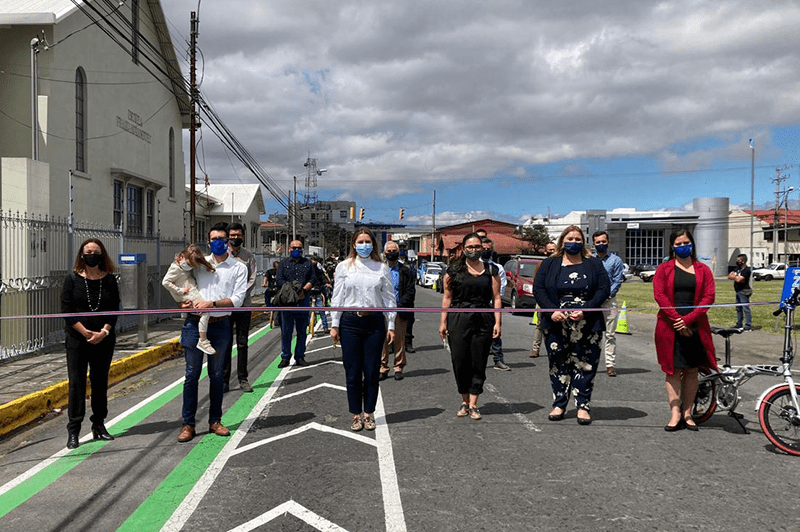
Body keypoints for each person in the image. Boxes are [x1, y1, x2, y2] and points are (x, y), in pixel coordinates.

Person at [177, 223, 248, 443]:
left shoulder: (238, 267)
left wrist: (213, 304)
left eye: (221, 238)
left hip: (220, 325)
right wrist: (184, 302)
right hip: (194, 325)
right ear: (208, 242)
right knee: (191, 375)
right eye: (213, 238)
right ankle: (188, 424)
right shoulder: (198, 264)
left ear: (228, 240)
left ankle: (214, 421)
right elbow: (181, 285)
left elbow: (237, 301)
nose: (217, 241)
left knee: (217, 376)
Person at [533, 225, 610, 425]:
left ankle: (582, 405)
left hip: (587, 322)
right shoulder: (550, 263)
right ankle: (559, 403)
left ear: (582, 243)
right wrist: (552, 310)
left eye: (578, 240)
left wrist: (587, 308)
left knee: (585, 363)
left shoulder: (593, 264)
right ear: (562, 241)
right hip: (556, 321)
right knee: (558, 363)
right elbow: (539, 289)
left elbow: (603, 289)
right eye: (570, 239)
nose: (574, 242)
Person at [330, 228, 396, 431]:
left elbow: (389, 298)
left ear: (373, 245)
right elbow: (337, 297)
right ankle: (355, 414)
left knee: (371, 371)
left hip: (374, 323)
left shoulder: (381, 267)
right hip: (350, 322)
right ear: (353, 245)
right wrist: (334, 324)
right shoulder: (344, 267)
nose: (364, 245)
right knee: (352, 371)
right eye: (361, 241)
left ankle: (368, 413)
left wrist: (391, 324)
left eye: (368, 241)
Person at [653, 229, 717, 431]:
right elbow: (660, 295)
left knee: (691, 371)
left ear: (692, 244)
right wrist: (677, 320)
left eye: (686, 243)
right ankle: (675, 413)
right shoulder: (664, 269)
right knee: (672, 371)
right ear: (672, 247)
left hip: (695, 325)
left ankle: (688, 413)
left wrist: (688, 320)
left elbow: (709, 297)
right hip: (669, 326)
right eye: (678, 244)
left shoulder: (703, 269)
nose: (682, 247)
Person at [60, 238, 121, 449]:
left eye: (95, 252)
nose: (91, 255)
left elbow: (114, 309)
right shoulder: (72, 279)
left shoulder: (110, 280)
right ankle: (73, 430)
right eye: (88, 251)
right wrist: (86, 332)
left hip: (103, 339)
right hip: (78, 339)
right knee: (76, 383)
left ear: (102, 255)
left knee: (100, 382)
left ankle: (98, 425)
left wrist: (103, 332)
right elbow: (66, 310)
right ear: (81, 254)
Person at [439, 233, 502, 421]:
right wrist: (443, 322)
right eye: (470, 247)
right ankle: (464, 400)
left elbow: (497, 298)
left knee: (479, 361)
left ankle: (474, 404)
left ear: (482, 248)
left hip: (483, 319)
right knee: (460, 361)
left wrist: (498, 322)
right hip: (458, 318)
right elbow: (447, 298)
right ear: (463, 248)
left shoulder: (491, 271)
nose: (473, 250)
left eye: (477, 246)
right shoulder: (453, 271)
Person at [162, 245, 217, 355]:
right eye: (189, 264)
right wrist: (180, 291)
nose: (190, 267)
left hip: (191, 291)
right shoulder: (175, 268)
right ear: (181, 256)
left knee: (204, 312)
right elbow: (165, 282)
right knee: (205, 313)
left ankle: (201, 339)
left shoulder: (182, 266)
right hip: (188, 293)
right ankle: (203, 340)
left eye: (192, 266)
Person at [223, 222, 257, 393]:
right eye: (232, 235)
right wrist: (227, 299)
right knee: (226, 343)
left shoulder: (248, 257)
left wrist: (239, 296)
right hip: (225, 306)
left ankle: (243, 379)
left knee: (242, 343)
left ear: (243, 236)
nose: (235, 238)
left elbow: (252, 279)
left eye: (238, 235)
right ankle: (224, 381)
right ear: (227, 236)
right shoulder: (222, 255)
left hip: (243, 305)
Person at [276, 239, 318, 368]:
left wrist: (304, 290)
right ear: (289, 249)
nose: (296, 250)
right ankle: (285, 357)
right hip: (287, 301)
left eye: (299, 248)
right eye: (294, 248)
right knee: (286, 331)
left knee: (301, 330)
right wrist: (291, 291)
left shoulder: (308, 263)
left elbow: (313, 278)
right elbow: (279, 280)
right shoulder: (283, 263)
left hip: (303, 300)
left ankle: (300, 356)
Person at [380, 240, 416, 381]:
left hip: (399, 309)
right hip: (382, 311)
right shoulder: (379, 270)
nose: (391, 253)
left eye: (394, 250)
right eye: (389, 251)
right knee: (383, 340)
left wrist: (400, 305)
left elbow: (410, 290)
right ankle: (383, 367)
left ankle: (398, 367)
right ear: (384, 253)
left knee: (399, 339)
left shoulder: (405, 270)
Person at [592, 231, 626, 377]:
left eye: (603, 241)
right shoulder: (589, 260)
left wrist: (606, 295)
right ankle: (590, 363)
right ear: (593, 244)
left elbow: (617, 281)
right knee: (592, 334)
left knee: (610, 335)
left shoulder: (615, 260)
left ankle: (610, 365)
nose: (601, 244)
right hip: (592, 302)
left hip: (609, 301)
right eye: (598, 242)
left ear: (608, 242)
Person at [480, 237, 510, 371]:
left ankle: (498, 359)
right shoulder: (471, 266)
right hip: (474, 306)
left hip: (491, 306)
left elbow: (501, 289)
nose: (486, 251)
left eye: (488, 249)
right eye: (483, 249)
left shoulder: (497, 268)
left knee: (495, 334)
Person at [530, 241, 556, 358]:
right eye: (550, 250)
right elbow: (537, 283)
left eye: (554, 249)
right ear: (545, 251)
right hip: (543, 299)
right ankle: (536, 348)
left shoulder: (560, 263)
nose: (552, 252)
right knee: (539, 325)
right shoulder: (541, 264)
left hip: (556, 299)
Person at [397, 240, 417, 353]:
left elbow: (414, 275)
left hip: (408, 298)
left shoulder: (411, 262)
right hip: (395, 297)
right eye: (400, 247)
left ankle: (408, 343)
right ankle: (392, 345)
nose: (402, 249)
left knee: (409, 323)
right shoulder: (391, 262)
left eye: (404, 246)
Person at [728, 253, 752, 331]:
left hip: (744, 291)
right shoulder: (737, 269)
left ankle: (748, 326)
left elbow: (739, 279)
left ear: (743, 260)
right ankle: (739, 324)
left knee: (745, 309)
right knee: (738, 308)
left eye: (739, 260)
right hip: (738, 291)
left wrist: (735, 277)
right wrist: (736, 277)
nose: (738, 261)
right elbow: (729, 276)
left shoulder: (747, 270)